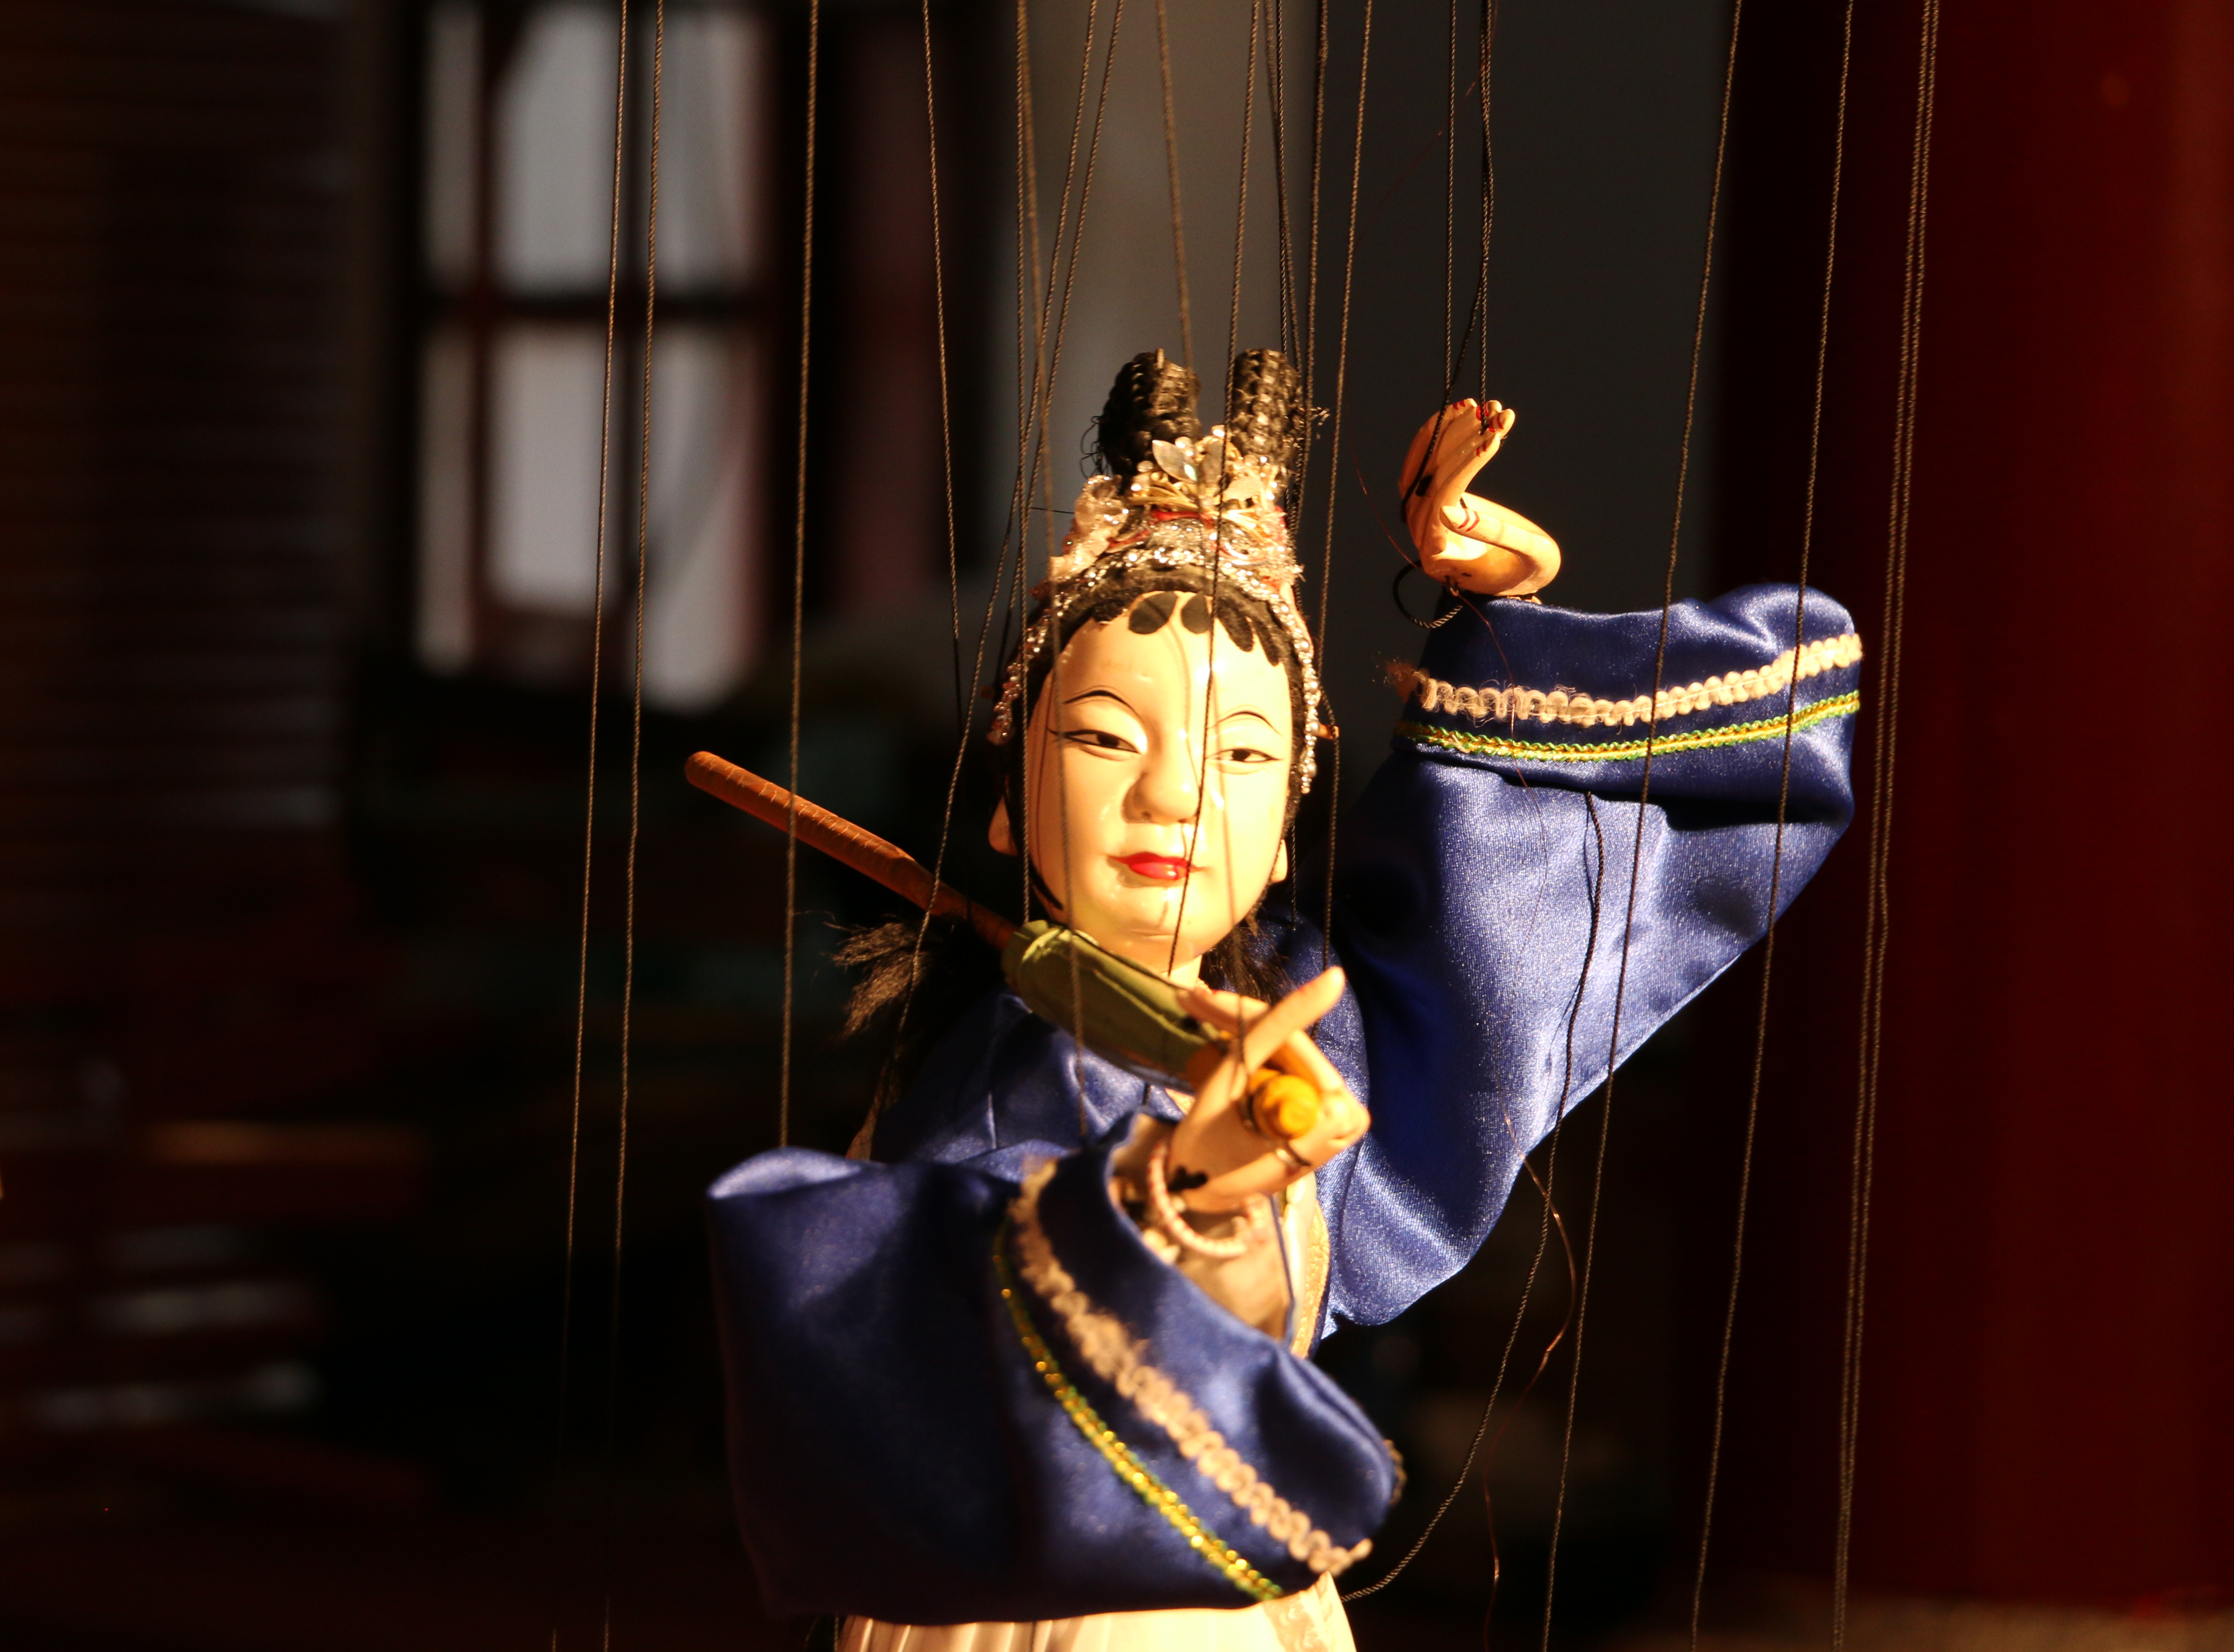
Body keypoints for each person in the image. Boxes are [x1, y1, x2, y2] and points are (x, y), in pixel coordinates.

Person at [706, 349, 1861, 1650]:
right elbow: (901, 1316)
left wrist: (1501, 617)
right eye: (1105, 737)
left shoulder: (1317, 1013)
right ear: (1007, 803)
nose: (1172, 796)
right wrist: (1173, 1200)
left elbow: (1497, 906)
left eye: (1243, 753)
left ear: (1287, 830)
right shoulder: (997, 1068)